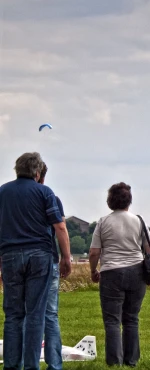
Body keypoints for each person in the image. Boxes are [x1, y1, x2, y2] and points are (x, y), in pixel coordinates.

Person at [0, 152, 72, 370]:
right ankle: (32, 365)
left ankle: (12, 365)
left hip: (10, 255)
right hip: (40, 256)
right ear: (38, 172)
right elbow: (59, 226)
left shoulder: (2, 192)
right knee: (36, 314)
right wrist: (66, 257)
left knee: (12, 314)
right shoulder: (45, 192)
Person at [89, 183, 150, 367]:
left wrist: (93, 270)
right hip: (137, 271)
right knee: (131, 318)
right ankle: (131, 360)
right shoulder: (139, 221)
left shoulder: (103, 222)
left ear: (110, 200)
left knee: (112, 320)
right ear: (129, 200)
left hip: (111, 272)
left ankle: (114, 361)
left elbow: (94, 252)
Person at [40, 162, 66, 370]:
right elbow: (61, 227)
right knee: (50, 314)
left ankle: (24, 360)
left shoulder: (8, 196)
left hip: (17, 258)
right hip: (48, 258)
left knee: (21, 313)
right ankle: (55, 364)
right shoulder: (52, 198)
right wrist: (66, 257)